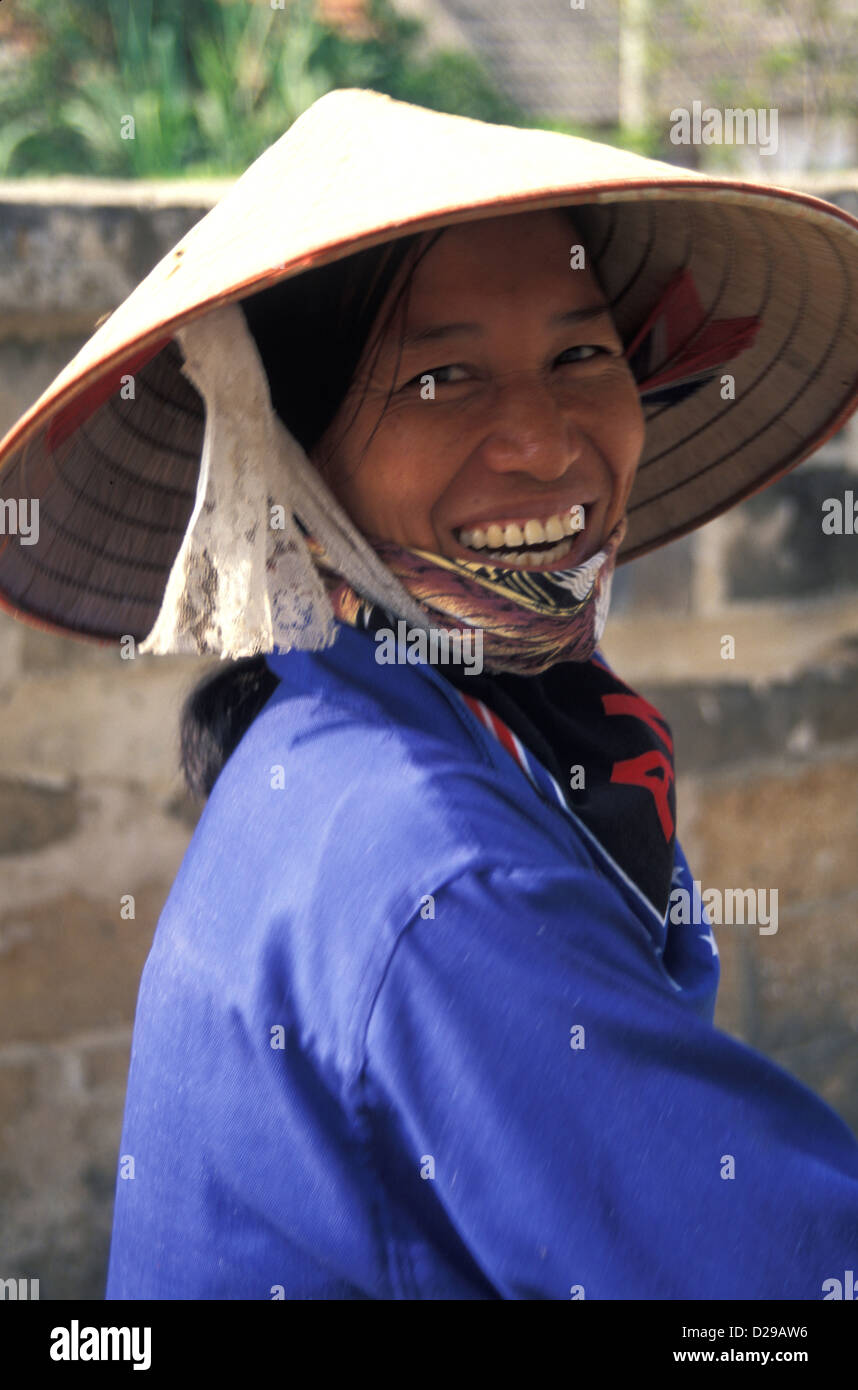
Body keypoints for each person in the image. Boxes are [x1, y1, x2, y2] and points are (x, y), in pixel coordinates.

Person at [1, 89, 857, 1300]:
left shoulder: (348, 725)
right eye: (442, 378)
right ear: (294, 458)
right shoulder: (443, 874)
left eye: (579, 355)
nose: (546, 438)